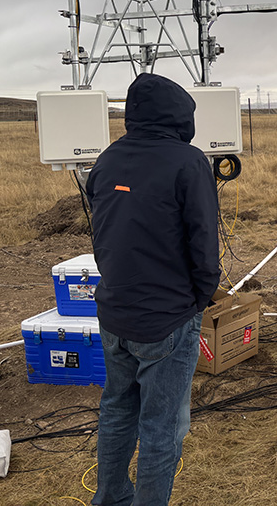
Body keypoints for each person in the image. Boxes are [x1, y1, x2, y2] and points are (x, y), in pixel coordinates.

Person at [86, 73, 220, 506]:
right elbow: (203, 241)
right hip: (167, 316)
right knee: (162, 427)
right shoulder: (188, 161)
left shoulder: (106, 161)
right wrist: (200, 297)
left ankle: (110, 498)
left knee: (117, 409)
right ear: (181, 115)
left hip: (115, 310)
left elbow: (102, 232)